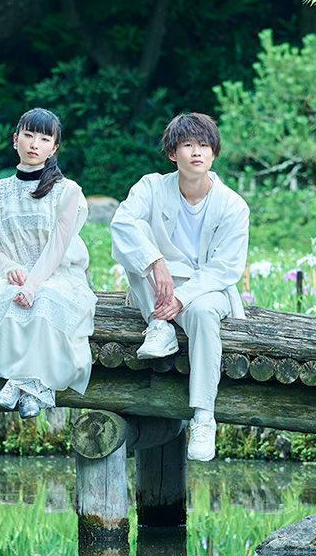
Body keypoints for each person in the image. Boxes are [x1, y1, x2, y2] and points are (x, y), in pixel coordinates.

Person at [110, 112, 249, 461]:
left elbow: (225, 268)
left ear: (214, 153)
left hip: (207, 289)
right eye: (188, 145)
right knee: (135, 240)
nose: (196, 152)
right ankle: (159, 325)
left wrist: (183, 297)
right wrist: (156, 262)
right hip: (159, 283)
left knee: (201, 313)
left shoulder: (233, 206)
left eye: (203, 145)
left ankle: (203, 417)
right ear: (173, 153)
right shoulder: (151, 187)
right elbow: (121, 224)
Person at [0, 108, 96, 418]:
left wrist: (33, 284)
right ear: (15, 139)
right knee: (5, 301)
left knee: (44, 297)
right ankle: (32, 390)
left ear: (54, 147)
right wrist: (8, 268)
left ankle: (22, 383)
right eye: (28, 135)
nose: (34, 144)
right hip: (15, 277)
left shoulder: (67, 191)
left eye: (44, 139)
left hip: (59, 276)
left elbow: (57, 249)